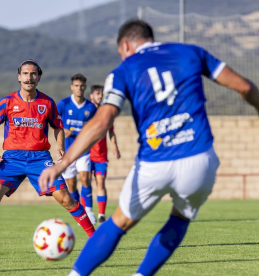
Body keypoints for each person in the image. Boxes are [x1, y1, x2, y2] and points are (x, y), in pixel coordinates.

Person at [39, 20, 259, 275]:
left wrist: (63, 164)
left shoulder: (123, 70)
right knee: (180, 218)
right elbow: (244, 87)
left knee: (119, 222)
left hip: (154, 163)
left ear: (125, 45)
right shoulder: (191, 52)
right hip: (199, 158)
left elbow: (102, 120)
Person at [0, 60, 95, 256]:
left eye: (33, 74)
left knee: (66, 199)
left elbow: (58, 127)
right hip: (12, 158)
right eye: (25, 74)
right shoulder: (7, 102)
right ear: (19, 77)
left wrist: (61, 149)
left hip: (40, 158)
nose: (29, 78)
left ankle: (94, 238)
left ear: (38, 77)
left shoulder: (47, 103)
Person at [57, 74, 98, 224]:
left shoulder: (90, 107)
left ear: (85, 87)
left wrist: (75, 132)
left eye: (81, 86)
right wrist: (62, 130)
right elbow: (54, 122)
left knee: (85, 179)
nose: (79, 88)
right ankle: (79, 211)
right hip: (68, 152)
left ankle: (89, 210)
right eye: (76, 86)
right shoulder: (64, 104)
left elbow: (94, 128)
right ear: (72, 87)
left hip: (83, 151)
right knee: (71, 184)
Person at [89, 84, 121, 224]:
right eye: (97, 93)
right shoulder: (86, 111)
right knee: (86, 183)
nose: (100, 96)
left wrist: (115, 146)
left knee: (100, 183)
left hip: (101, 156)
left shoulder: (106, 112)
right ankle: (88, 212)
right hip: (87, 155)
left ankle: (101, 214)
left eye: (101, 93)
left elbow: (111, 131)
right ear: (92, 96)